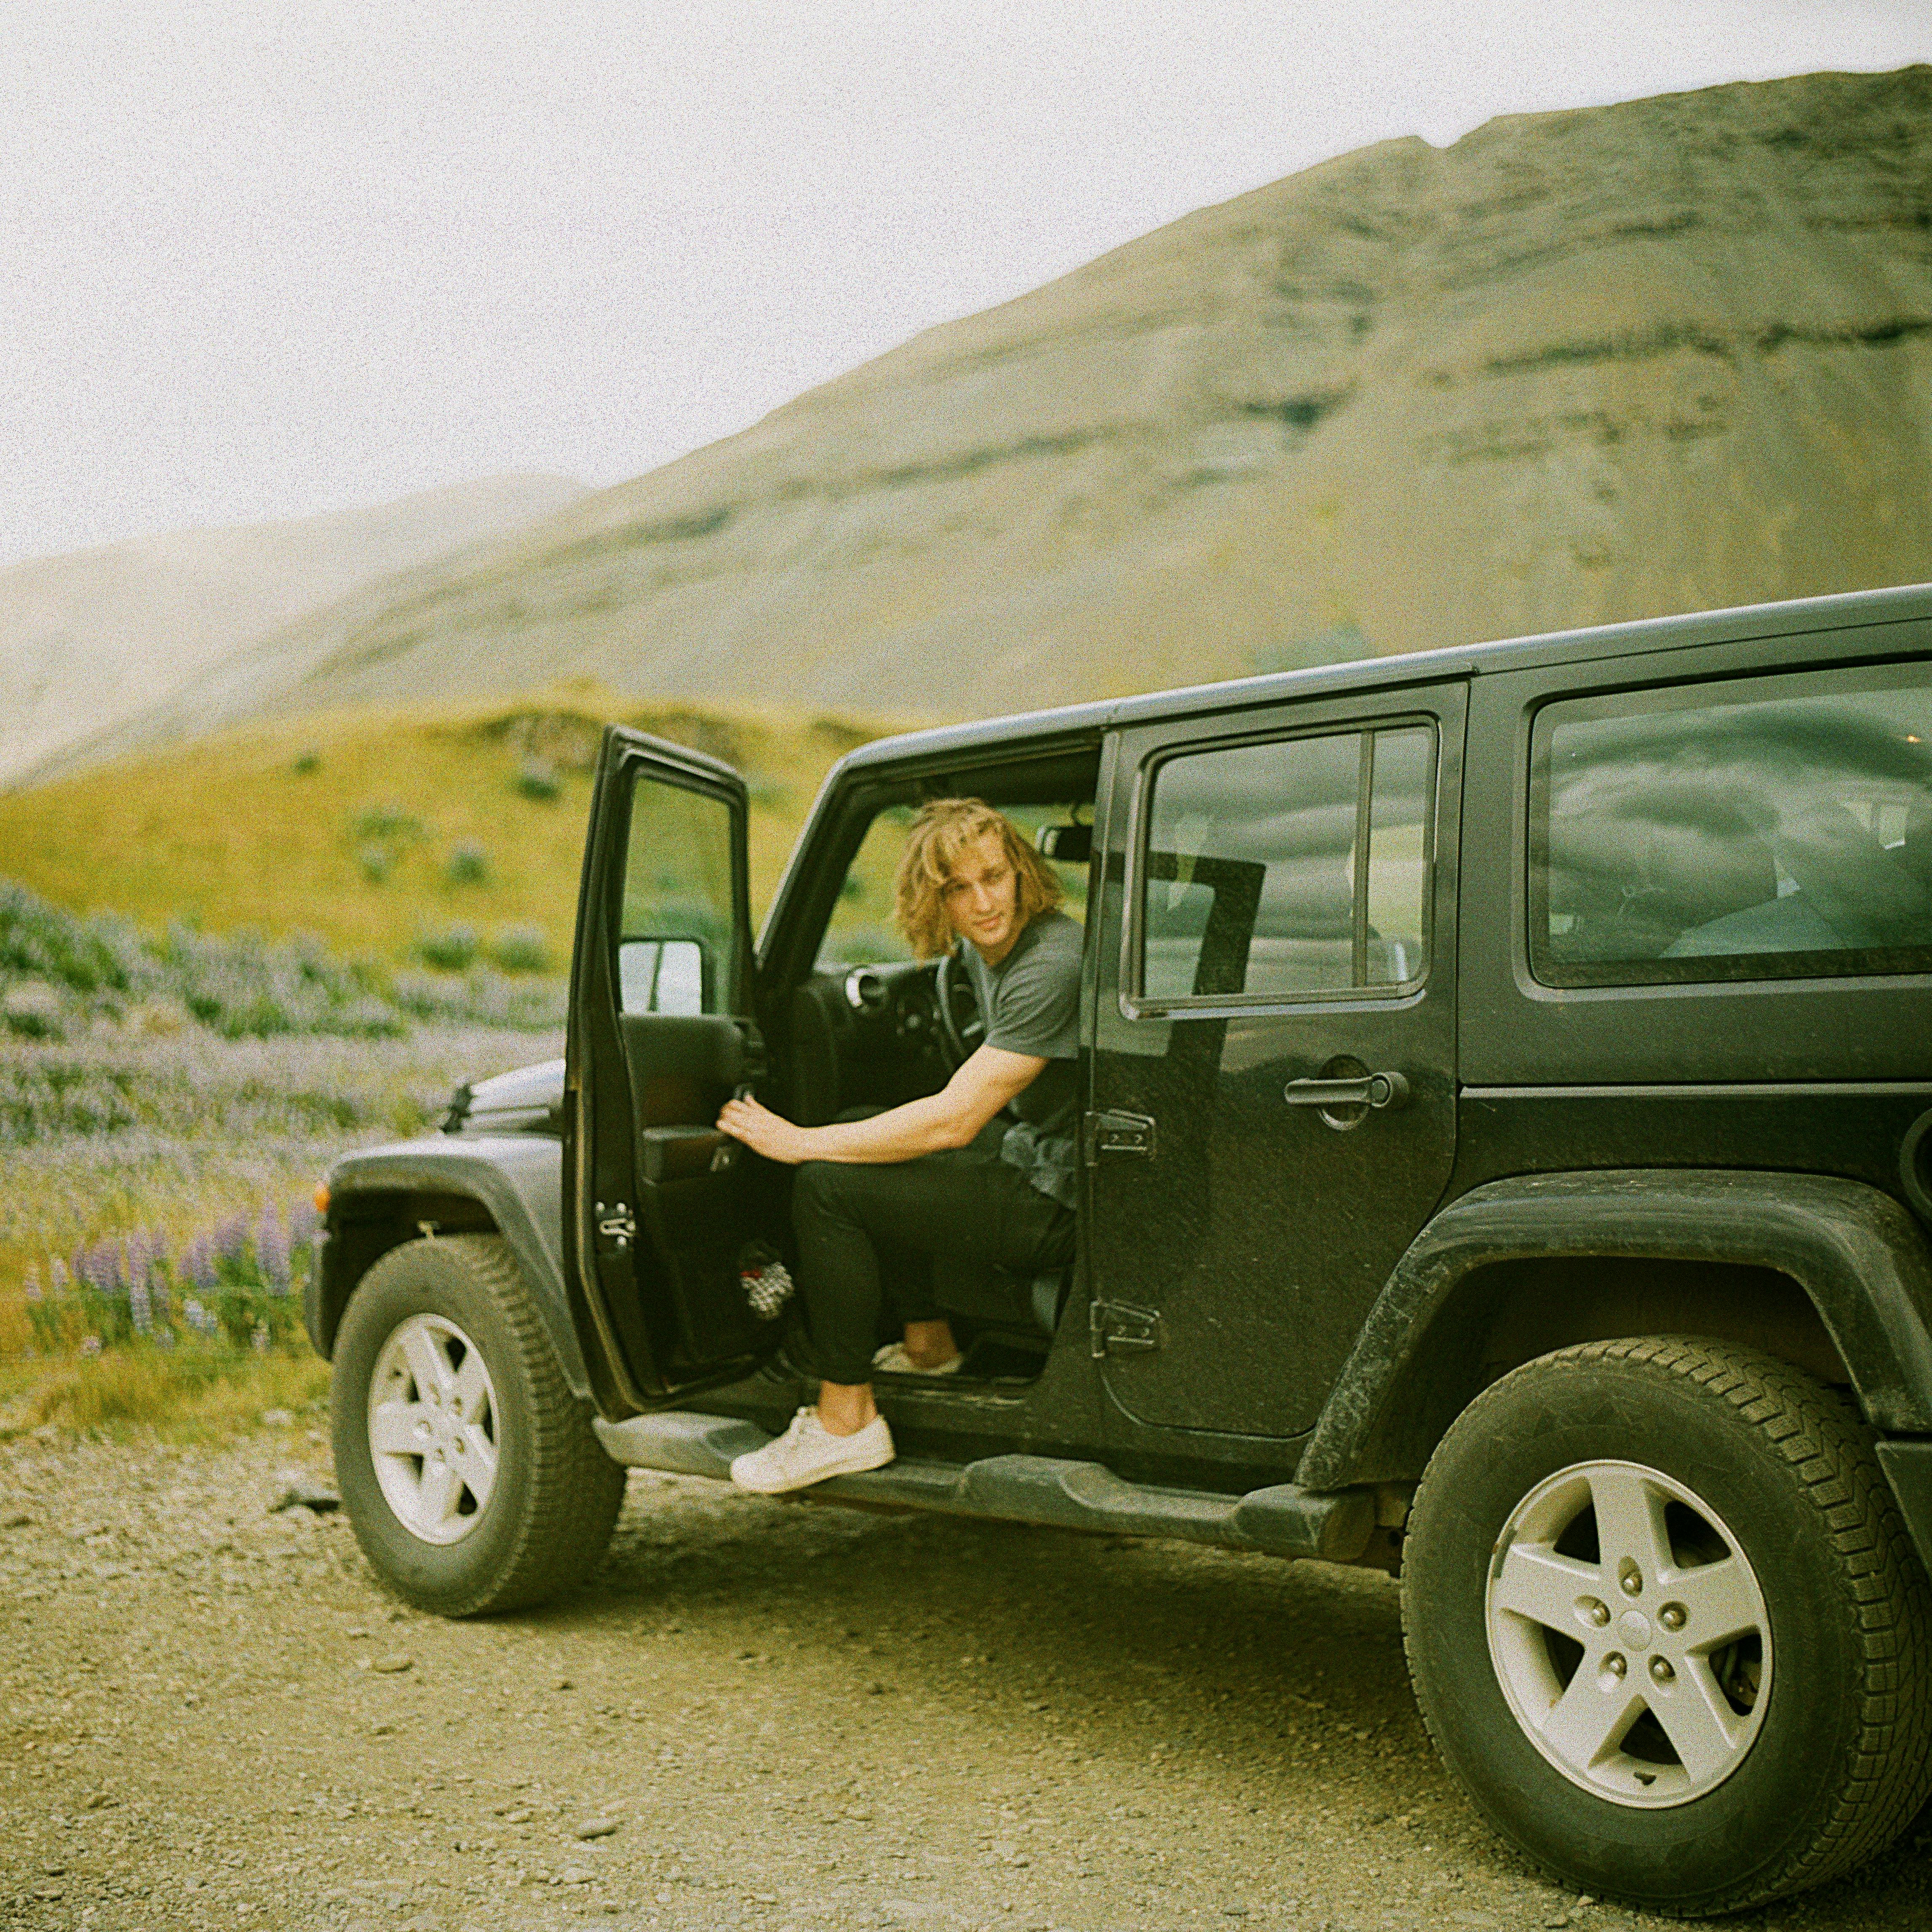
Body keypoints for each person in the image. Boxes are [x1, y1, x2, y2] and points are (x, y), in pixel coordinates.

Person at [716, 798, 1082, 1494]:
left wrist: (800, 1142)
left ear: (1022, 873)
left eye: (995, 877)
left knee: (828, 1183)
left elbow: (953, 1122)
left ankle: (845, 1423)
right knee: (865, 1125)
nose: (984, 904)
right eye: (958, 889)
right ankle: (930, 1345)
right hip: (1042, 1155)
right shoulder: (987, 953)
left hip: (1066, 1196)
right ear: (934, 899)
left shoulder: (1052, 961)